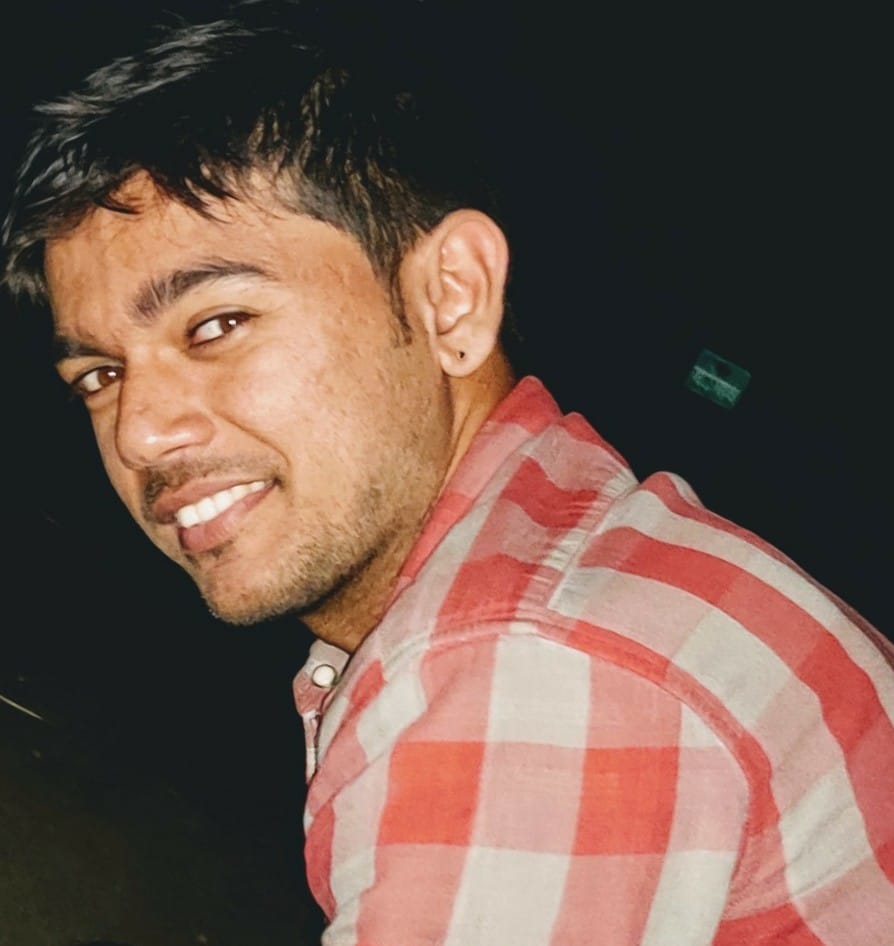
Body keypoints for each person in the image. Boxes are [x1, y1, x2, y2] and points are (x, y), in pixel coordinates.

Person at [3, 3, 893, 943]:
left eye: (216, 324)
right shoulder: (582, 558)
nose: (140, 433)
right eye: (100, 376)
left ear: (451, 298)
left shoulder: (533, 670)